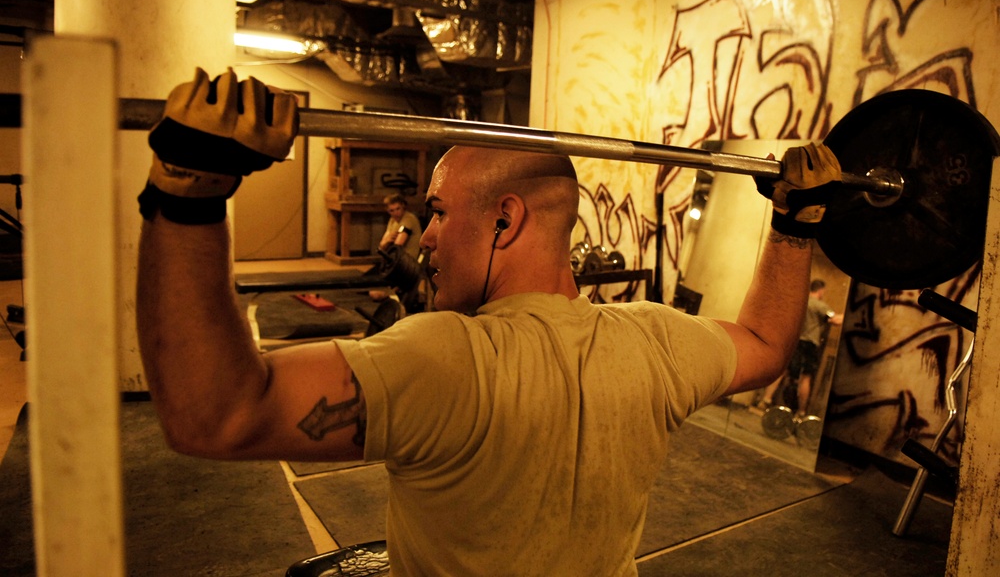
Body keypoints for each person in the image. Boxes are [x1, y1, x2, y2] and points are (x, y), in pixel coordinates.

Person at [135, 68, 842, 575]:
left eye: (439, 213)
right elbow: (766, 343)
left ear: (505, 219)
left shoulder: (443, 360)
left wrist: (189, 192)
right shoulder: (656, 342)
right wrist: (795, 222)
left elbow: (214, 416)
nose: (426, 238)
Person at [758, 278, 844, 416]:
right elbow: (835, 320)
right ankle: (802, 411)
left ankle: (765, 400)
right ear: (820, 290)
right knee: (805, 377)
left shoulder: (799, 302)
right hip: (809, 344)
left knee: (782, 371)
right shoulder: (819, 305)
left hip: (794, 341)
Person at [378, 193, 422, 261]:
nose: (395, 213)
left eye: (398, 209)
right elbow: (382, 245)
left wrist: (386, 242)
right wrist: (386, 242)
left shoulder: (408, 219)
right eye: (391, 210)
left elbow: (397, 246)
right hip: (396, 260)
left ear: (403, 206)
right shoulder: (392, 220)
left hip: (408, 262)